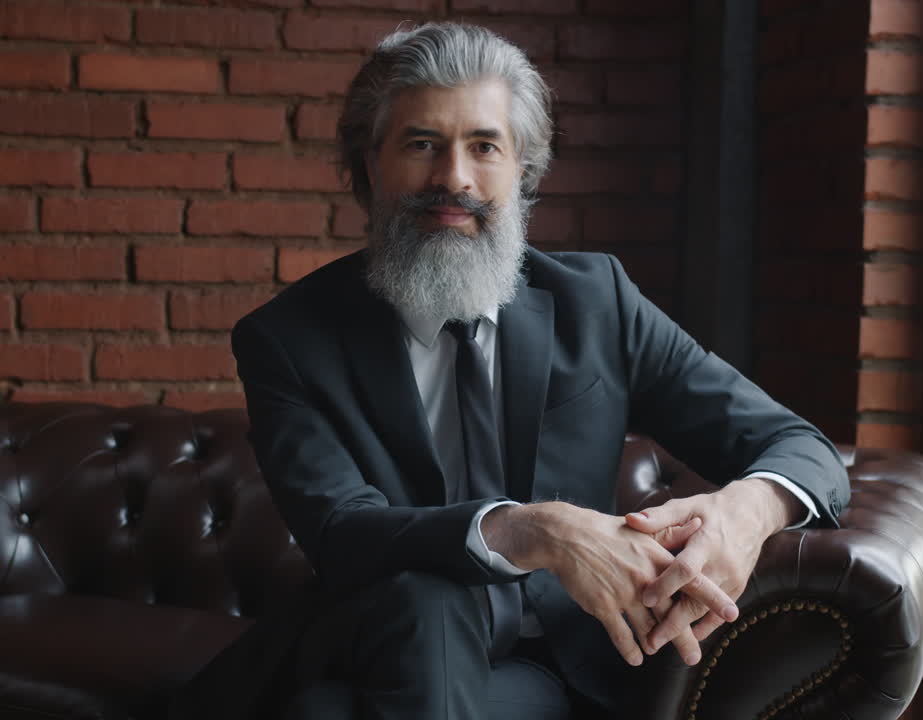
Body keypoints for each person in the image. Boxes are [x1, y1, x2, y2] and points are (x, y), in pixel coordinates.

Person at [176, 21, 849, 720]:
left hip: (550, 663)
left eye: (483, 146)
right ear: (369, 165)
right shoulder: (289, 339)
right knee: (426, 596)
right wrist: (533, 531)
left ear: (523, 169)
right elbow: (343, 532)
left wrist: (744, 514)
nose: (452, 178)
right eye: (420, 144)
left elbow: (804, 449)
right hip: (375, 633)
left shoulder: (599, 305)